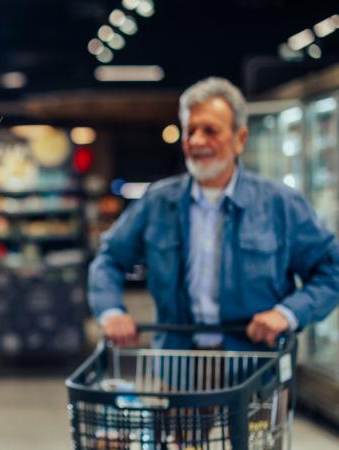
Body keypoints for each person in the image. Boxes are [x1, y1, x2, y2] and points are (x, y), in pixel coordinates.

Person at [89, 76, 339, 351]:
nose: (197, 140)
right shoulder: (157, 203)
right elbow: (109, 260)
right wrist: (111, 311)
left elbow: (332, 270)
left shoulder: (281, 204)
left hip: (254, 371)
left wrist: (288, 313)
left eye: (210, 130)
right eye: (190, 130)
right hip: (177, 368)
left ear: (239, 139)